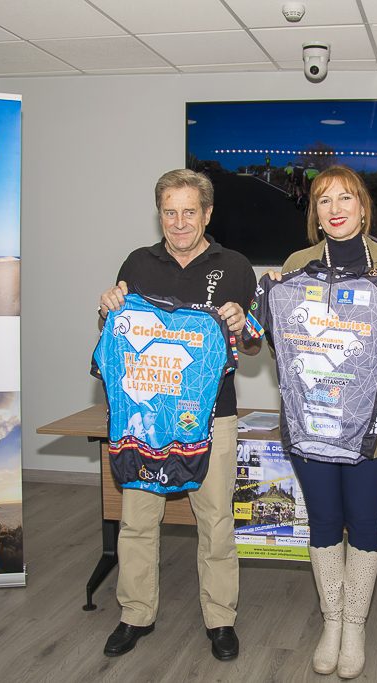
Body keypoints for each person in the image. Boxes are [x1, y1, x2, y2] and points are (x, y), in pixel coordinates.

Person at [268, 165, 377, 679]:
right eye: (324, 200)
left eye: (345, 198)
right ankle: (331, 622)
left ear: (362, 207)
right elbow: (280, 344)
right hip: (311, 420)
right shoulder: (296, 265)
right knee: (321, 521)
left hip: (372, 426)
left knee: (364, 521)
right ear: (314, 213)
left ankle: (355, 624)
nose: (335, 209)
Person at [96, 169, 258, 661]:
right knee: (137, 519)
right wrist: (107, 309)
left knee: (216, 520)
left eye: (190, 211)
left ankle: (220, 619)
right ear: (159, 214)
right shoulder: (137, 262)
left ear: (207, 214)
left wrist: (242, 323)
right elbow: (117, 331)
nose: (180, 222)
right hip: (143, 417)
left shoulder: (235, 266)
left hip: (213, 416)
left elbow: (253, 345)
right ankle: (135, 614)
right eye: (170, 212)